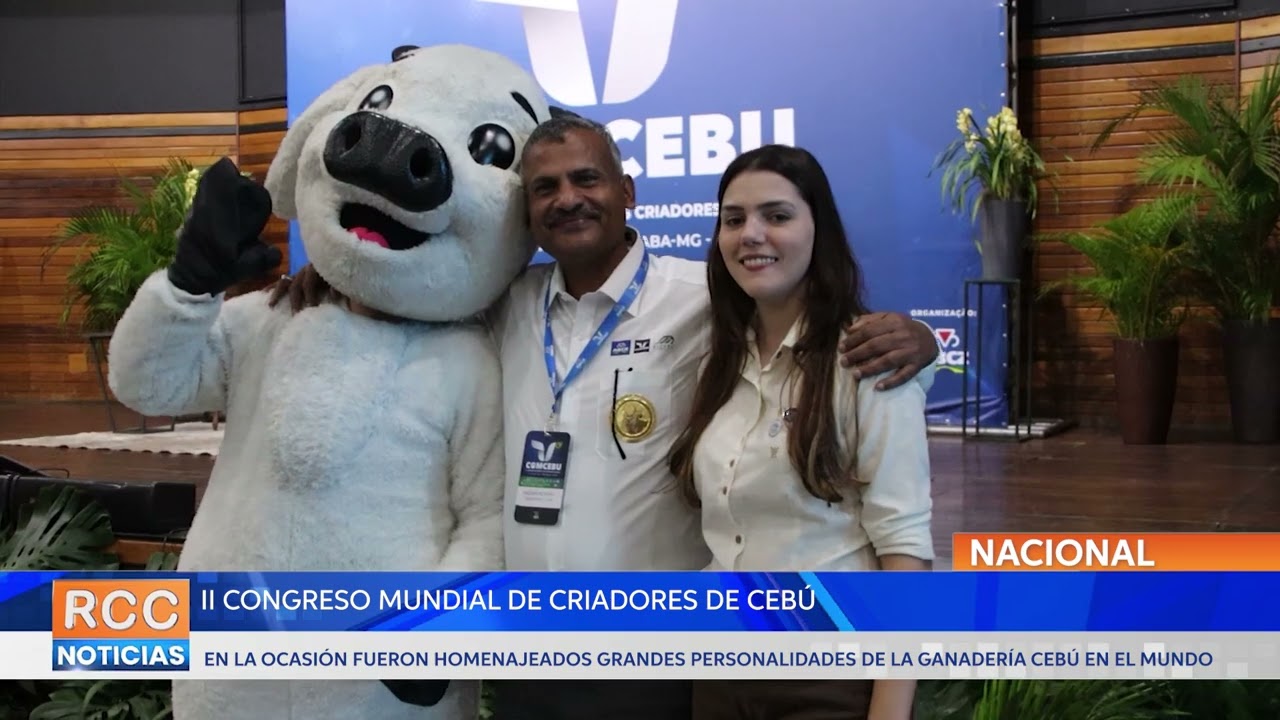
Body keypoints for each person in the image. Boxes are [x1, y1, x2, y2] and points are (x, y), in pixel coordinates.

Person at [271, 115, 939, 719]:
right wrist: (337, 277)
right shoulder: (506, 302)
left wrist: (922, 343)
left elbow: (816, 337)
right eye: (545, 187)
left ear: (627, 191)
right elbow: (412, 290)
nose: (567, 198)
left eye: (586, 178)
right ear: (526, 212)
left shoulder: (703, 301)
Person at [667, 144, 933, 720]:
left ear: (819, 230)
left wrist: (890, 709)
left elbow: (905, 551)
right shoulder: (715, 363)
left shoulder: (868, 359)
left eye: (777, 216)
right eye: (733, 219)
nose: (751, 234)